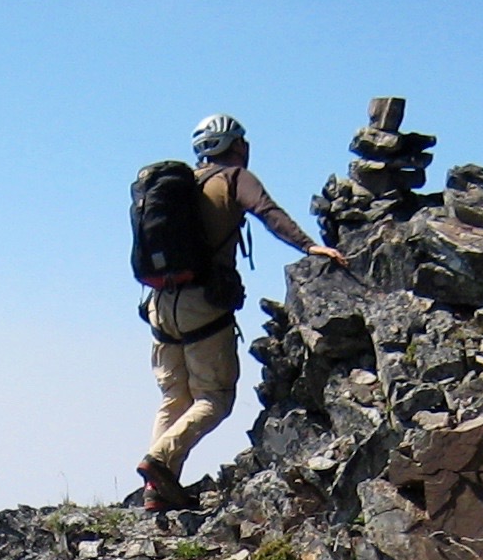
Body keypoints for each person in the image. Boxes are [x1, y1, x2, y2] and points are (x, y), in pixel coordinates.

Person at [139, 113, 345, 512]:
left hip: (159, 304)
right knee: (214, 397)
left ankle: (157, 490)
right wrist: (309, 246)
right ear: (235, 145)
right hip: (202, 304)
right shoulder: (233, 178)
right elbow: (267, 212)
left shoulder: (181, 187)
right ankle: (159, 462)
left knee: (174, 398)